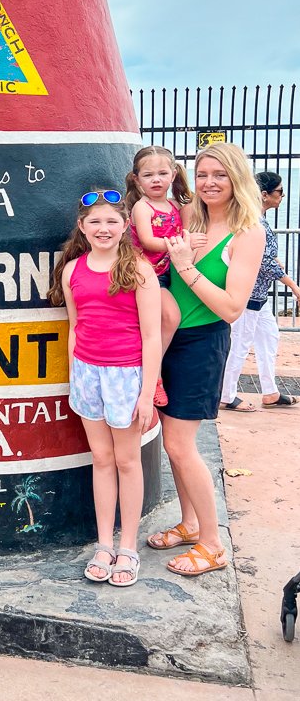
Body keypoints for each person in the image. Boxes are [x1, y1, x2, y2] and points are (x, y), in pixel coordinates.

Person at [147, 142, 264, 576]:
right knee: (170, 442)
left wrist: (187, 265)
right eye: (202, 175)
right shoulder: (189, 218)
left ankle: (213, 545)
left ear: (237, 178)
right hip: (167, 337)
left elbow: (233, 307)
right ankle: (191, 523)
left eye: (220, 175)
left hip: (202, 342)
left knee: (180, 444)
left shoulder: (247, 231)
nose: (210, 183)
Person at [49, 189, 161, 587]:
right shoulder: (72, 270)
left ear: (125, 226)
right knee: (101, 459)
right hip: (87, 375)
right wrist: (73, 379)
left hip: (126, 376)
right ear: (81, 227)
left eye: (112, 221)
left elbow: (151, 337)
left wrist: (146, 393)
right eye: (94, 221)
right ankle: (103, 544)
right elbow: (74, 327)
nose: (103, 228)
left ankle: (127, 547)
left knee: (127, 460)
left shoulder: (139, 270)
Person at [220, 171, 300, 411]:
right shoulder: (254, 222)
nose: (282, 197)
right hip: (248, 294)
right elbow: (263, 261)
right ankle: (226, 395)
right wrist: (293, 285)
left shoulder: (257, 219)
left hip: (259, 295)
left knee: (269, 337)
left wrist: (274, 260)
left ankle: (270, 391)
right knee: (240, 343)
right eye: (279, 192)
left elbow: (266, 257)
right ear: (264, 195)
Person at [126, 145, 198, 408]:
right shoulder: (142, 208)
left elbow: (189, 230)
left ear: (173, 174)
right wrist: (181, 242)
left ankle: (153, 369)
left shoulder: (177, 205)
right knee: (170, 316)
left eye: (162, 173)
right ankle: (153, 375)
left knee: (164, 322)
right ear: (136, 179)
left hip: (167, 273)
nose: (156, 179)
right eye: (148, 175)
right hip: (147, 274)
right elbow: (147, 240)